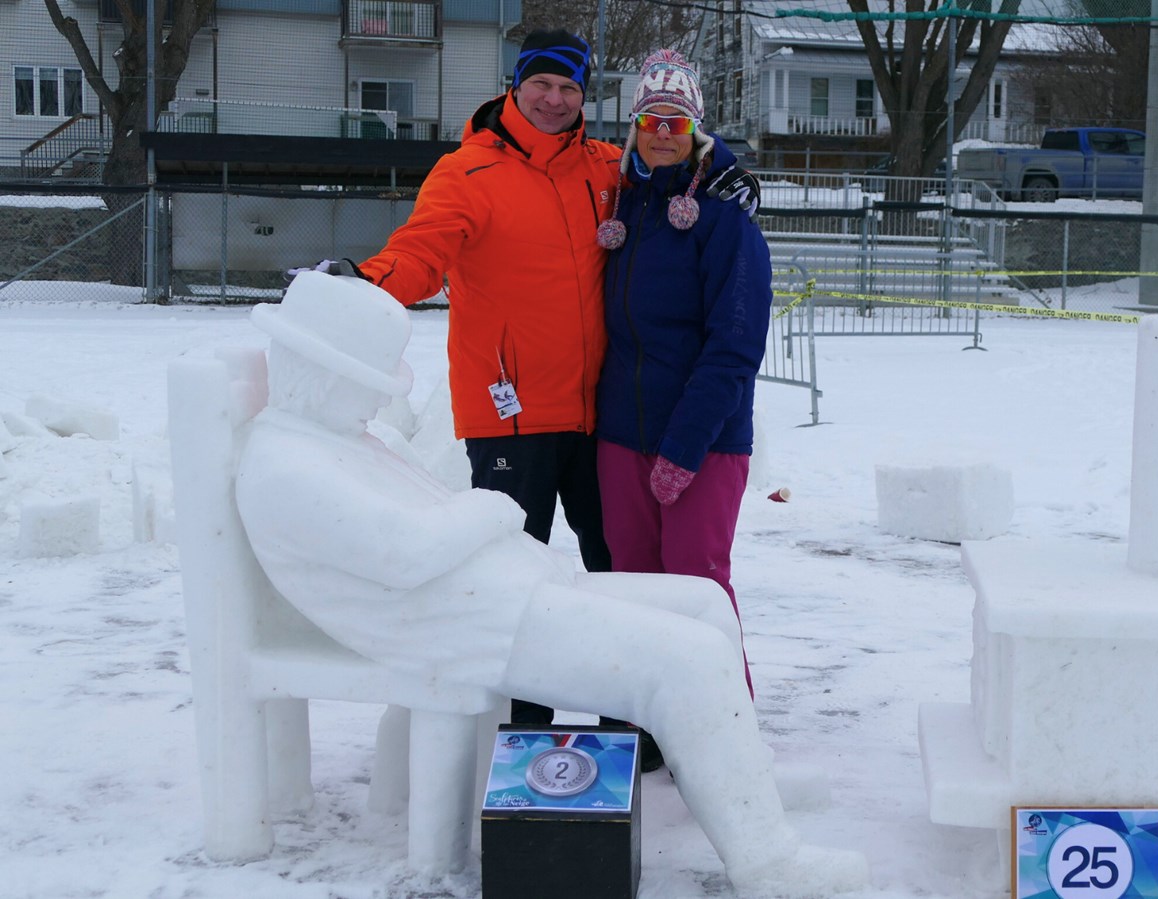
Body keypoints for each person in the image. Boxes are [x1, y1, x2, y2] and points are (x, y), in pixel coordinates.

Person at [235, 271, 868, 897]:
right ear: (324, 374)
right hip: (464, 624)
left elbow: (424, 530)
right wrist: (492, 508)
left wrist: (487, 528)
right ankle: (768, 862)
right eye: (370, 386)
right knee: (689, 662)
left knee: (703, 605)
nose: (380, 402)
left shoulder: (336, 438)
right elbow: (407, 552)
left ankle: (745, 781)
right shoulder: (289, 466)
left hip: (503, 589)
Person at [304, 29, 758, 731]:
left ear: (584, 96)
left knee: (620, 576)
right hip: (510, 415)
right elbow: (421, 252)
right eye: (541, 84)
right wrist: (366, 281)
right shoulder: (466, 172)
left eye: (569, 87)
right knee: (512, 578)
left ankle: (630, 726)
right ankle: (523, 727)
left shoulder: (603, 167)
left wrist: (727, 169)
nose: (554, 99)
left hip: (600, 416)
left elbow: (672, 145)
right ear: (515, 86)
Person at [592, 50, 773, 696]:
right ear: (635, 126)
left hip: (704, 442)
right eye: (651, 120)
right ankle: (649, 720)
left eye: (676, 121)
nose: (662, 133)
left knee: (697, 586)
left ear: (696, 128)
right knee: (634, 585)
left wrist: (685, 447)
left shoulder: (725, 220)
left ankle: (723, 724)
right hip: (622, 437)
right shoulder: (626, 207)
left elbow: (735, 347)